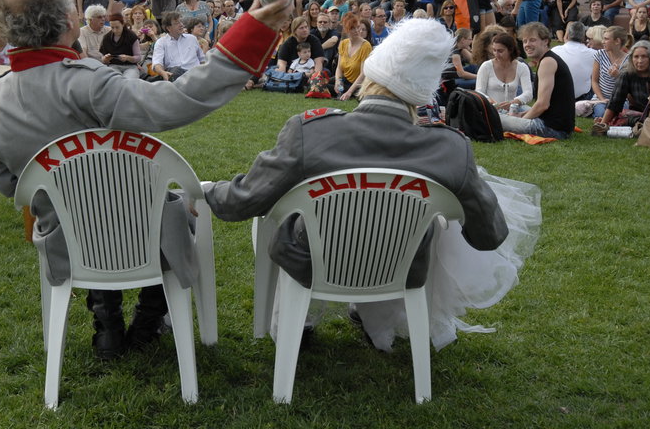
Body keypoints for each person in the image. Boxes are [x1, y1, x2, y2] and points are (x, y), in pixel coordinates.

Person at [0, 0, 290, 360]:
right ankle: (148, 321)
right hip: (145, 238)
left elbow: (7, 182)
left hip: (66, 244)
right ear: (70, 21)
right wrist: (251, 32)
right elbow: (180, 100)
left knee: (96, 214)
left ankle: (107, 327)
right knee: (174, 208)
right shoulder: (89, 83)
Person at [202, 18, 539, 352]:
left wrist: (204, 190)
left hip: (312, 263)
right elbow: (489, 236)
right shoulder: (449, 149)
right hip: (401, 267)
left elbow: (242, 201)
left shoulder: (310, 131)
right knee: (438, 226)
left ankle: (296, 321)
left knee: (277, 218)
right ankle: (376, 318)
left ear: (369, 78)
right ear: (422, 95)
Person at [499, 22, 575, 139]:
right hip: (557, 123)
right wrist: (521, 115)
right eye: (525, 41)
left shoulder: (547, 62)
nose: (527, 45)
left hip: (551, 128)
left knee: (496, 118)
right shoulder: (548, 59)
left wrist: (521, 120)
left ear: (545, 41)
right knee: (516, 107)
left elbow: (543, 105)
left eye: (532, 40)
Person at [594, 40, 650, 132]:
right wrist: (602, 125)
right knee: (625, 117)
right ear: (631, 58)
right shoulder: (626, 74)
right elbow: (615, 102)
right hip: (643, 114)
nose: (640, 61)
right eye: (636, 57)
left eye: (644, 56)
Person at [475, 32, 533, 111]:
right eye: (494, 50)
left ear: (510, 50)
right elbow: (479, 91)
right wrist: (490, 101)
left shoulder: (522, 67)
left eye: (500, 51)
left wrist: (514, 102)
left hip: (513, 108)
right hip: (492, 110)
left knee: (535, 115)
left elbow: (528, 93)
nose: (496, 54)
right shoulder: (486, 66)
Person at [151, 12, 205, 81]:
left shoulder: (192, 38)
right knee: (175, 70)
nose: (181, 25)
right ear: (168, 28)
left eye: (181, 22)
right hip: (175, 76)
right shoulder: (161, 42)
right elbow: (157, 63)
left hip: (194, 74)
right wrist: (163, 72)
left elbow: (202, 59)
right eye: (177, 23)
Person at [589, 26, 629, 118]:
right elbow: (594, 81)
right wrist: (602, 99)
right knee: (601, 114)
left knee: (619, 116)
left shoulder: (628, 59)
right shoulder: (600, 54)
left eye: (606, 39)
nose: (603, 41)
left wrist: (618, 75)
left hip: (620, 99)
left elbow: (629, 86)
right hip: (600, 97)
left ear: (617, 41)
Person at [552, 22, 596, 100]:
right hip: (581, 97)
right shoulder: (594, 53)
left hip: (558, 96)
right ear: (584, 37)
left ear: (568, 35)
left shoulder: (554, 50)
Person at [334, 14, 372, 100]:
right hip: (345, 80)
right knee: (323, 83)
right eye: (352, 28)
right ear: (346, 30)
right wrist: (338, 81)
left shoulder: (366, 46)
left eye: (357, 27)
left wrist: (349, 92)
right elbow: (339, 68)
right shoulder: (343, 43)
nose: (357, 30)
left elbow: (363, 74)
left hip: (358, 84)